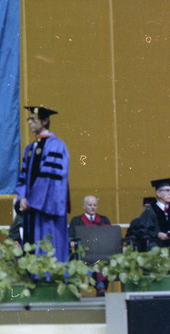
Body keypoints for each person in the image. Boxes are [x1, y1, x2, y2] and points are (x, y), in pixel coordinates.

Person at [14, 105, 70, 261]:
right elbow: (23, 178)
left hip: (47, 210)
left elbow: (49, 178)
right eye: (28, 119)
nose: (29, 122)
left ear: (45, 121)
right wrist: (22, 199)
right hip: (32, 209)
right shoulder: (30, 149)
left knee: (48, 248)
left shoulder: (56, 145)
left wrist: (31, 201)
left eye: (33, 119)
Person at [69, 194, 111, 296]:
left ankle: (100, 286)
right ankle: (99, 285)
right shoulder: (77, 220)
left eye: (94, 205)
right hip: (83, 253)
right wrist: (72, 242)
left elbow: (110, 237)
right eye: (90, 205)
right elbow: (71, 237)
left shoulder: (104, 220)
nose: (92, 207)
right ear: (84, 206)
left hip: (100, 253)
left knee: (101, 260)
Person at [137, 178, 170, 251]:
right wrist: (157, 234)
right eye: (167, 190)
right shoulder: (150, 211)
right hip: (158, 247)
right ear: (158, 193)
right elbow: (142, 231)